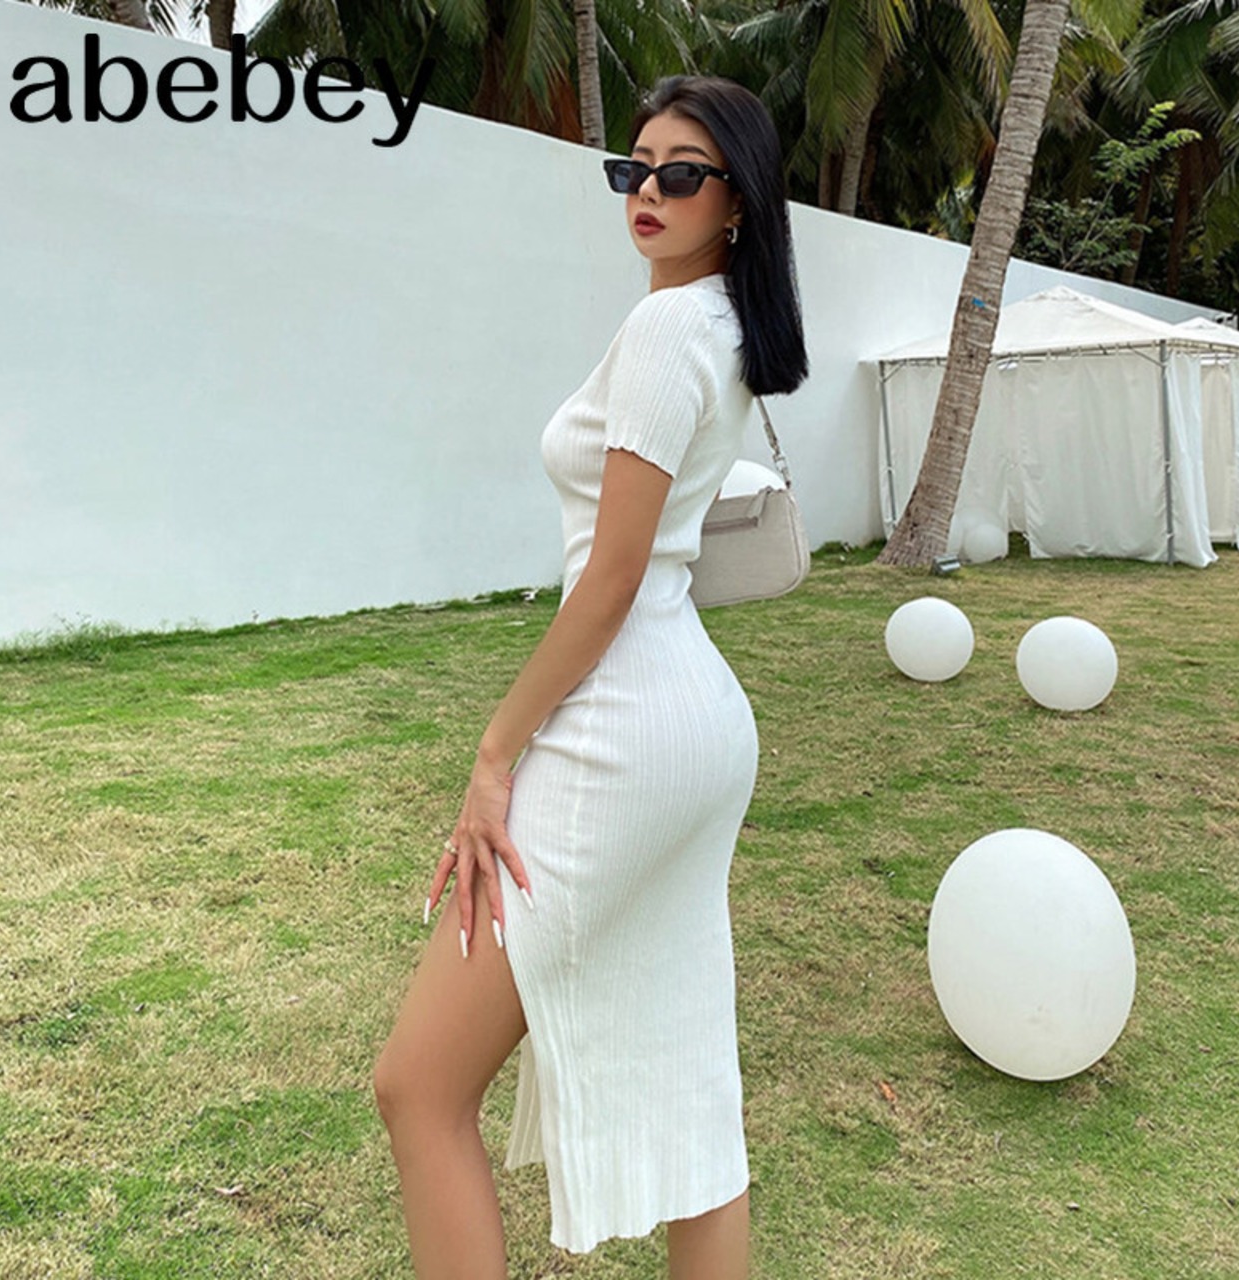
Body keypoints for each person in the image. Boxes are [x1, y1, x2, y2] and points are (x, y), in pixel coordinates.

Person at [373, 73, 808, 1278]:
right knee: (691, 1097)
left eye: (681, 172)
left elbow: (611, 578)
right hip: (685, 723)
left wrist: (493, 753)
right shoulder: (714, 326)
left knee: (418, 1083)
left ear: (737, 198)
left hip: (624, 720)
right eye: (633, 168)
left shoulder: (674, 330)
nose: (646, 190)